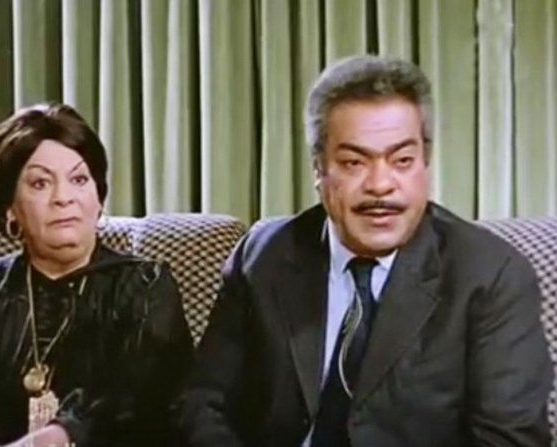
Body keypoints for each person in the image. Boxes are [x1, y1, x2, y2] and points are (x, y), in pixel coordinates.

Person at [178, 55, 553, 446]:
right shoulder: (264, 256)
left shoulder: (489, 274)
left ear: (425, 165)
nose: (380, 185)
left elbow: (510, 439)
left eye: (402, 161)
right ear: (318, 170)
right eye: (354, 162)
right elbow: (203, 403)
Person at [0, 104, 193, 447]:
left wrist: (58, 437)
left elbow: (135, 397)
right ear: (9, 208)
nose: (63, 198)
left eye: (79, 180)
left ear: (99, 198)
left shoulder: (146, 286)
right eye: (40, 183)